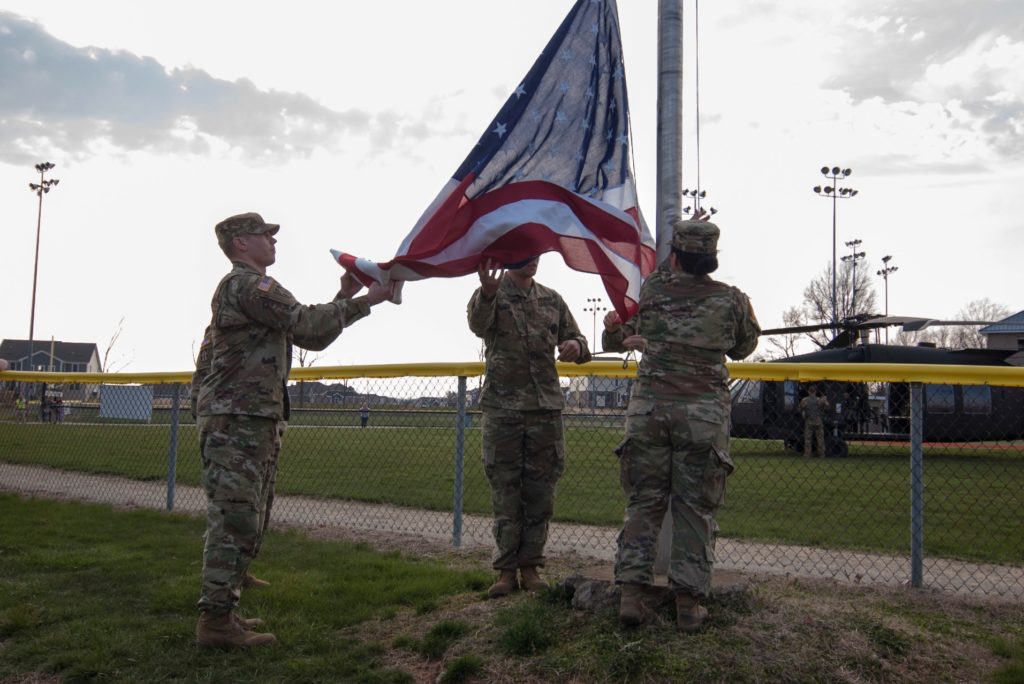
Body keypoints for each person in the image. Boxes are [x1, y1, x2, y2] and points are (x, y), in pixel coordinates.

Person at [194, 211, 393, 648]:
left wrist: (344, 296)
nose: (273, 240)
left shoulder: (247, 290)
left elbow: (310, 335)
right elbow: (305, 325)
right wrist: (366, 301)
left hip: (248, 417)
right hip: (238, 419)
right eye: (264, 234)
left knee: (248, 514)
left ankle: (227, 604)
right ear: (241, 243)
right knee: (236, 519)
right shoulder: (248, 285)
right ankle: (215, 623)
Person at [602, 211, 760, 632]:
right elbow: (744, 347)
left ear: (673, 256)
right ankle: (688, 606)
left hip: (649, 413)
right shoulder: (731, 300)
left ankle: (631, 596)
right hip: (702, 418)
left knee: (644, 503)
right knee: (694, 509)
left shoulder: (652, 288)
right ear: (712, 261)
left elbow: (614, 337)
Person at [468, 255, 592, 598]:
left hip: (544, 410)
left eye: (537, 254)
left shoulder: (552, 299)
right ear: (511, 254)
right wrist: (488, 294)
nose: (533, 260)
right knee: (505, 492)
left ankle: (531, 567)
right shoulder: (491, 294)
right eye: (525, 253)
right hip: (503, 410)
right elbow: (478, 326)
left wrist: (575, 346)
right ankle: (506, 571)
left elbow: (581, 343)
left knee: (540, 493)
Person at [800, 384, 829, 458]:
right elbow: (827, 407)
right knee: (820, 439)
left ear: (808, 391)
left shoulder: (805, 400)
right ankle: (821, 454)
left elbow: (800, 408)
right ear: (815, 392)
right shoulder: (819, 400)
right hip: (818, 421)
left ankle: (807, 454)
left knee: (808, 439)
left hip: (809, 421)